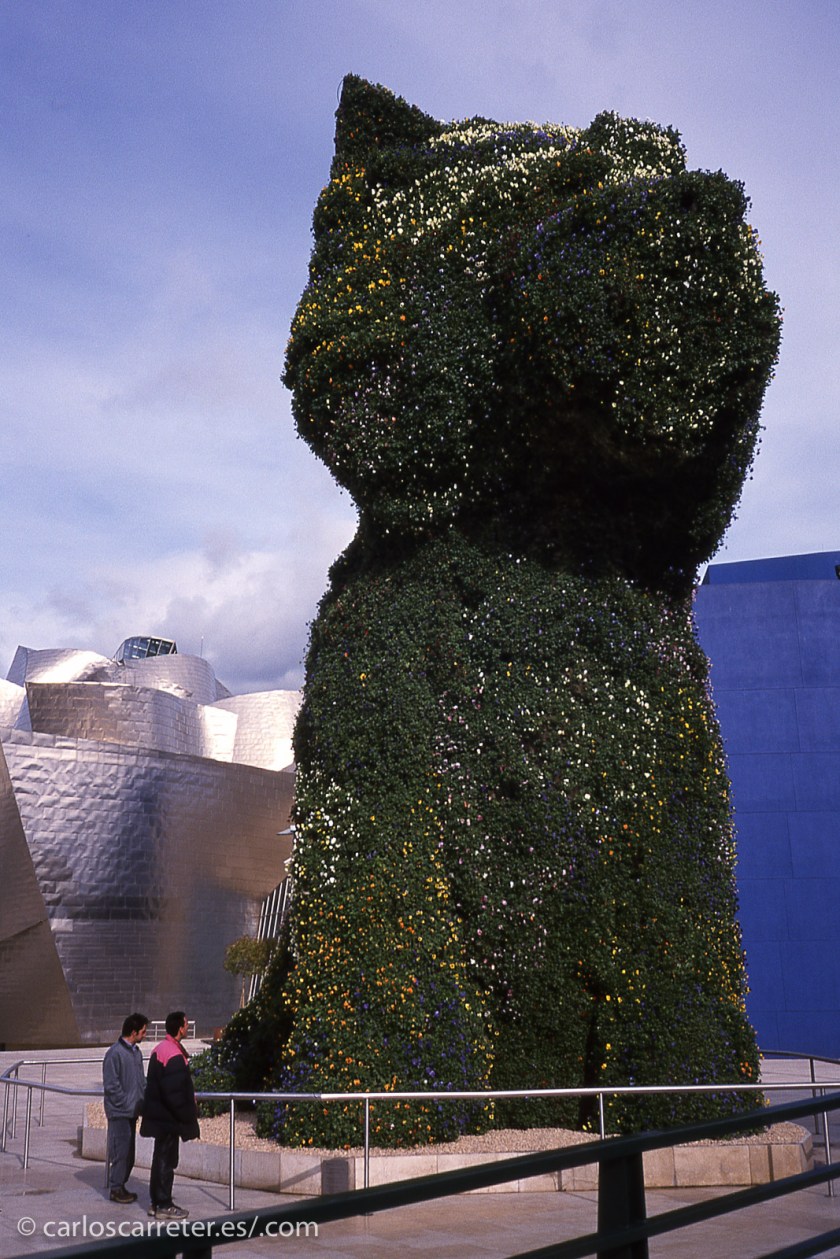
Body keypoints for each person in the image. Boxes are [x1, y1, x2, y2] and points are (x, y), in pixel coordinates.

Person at [140, 1010, 200, 1219]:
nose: (188, 1026)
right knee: (167, 1160)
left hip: (160, 1117)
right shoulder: (174, 1055)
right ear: (179, 1028)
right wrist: (187, 1115)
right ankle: (164, 1204)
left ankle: (156, 1202)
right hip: (168, 1119)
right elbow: (174, 1092)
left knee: (160, 1158)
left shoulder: (161, 1049)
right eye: (186, 1023)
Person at [102, 1012, 148, 1204]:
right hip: (120, 1113)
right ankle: (116, 1188)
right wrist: (127, 1103)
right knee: (120, 1151)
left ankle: (121, 1184)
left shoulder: (136, 1053)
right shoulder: (114, 1054)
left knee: (129, 1153)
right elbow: (112, 1086)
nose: (145, 1035)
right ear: (133, 1031)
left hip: (132, 1112)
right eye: (143, 1031)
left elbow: (141, 1081)